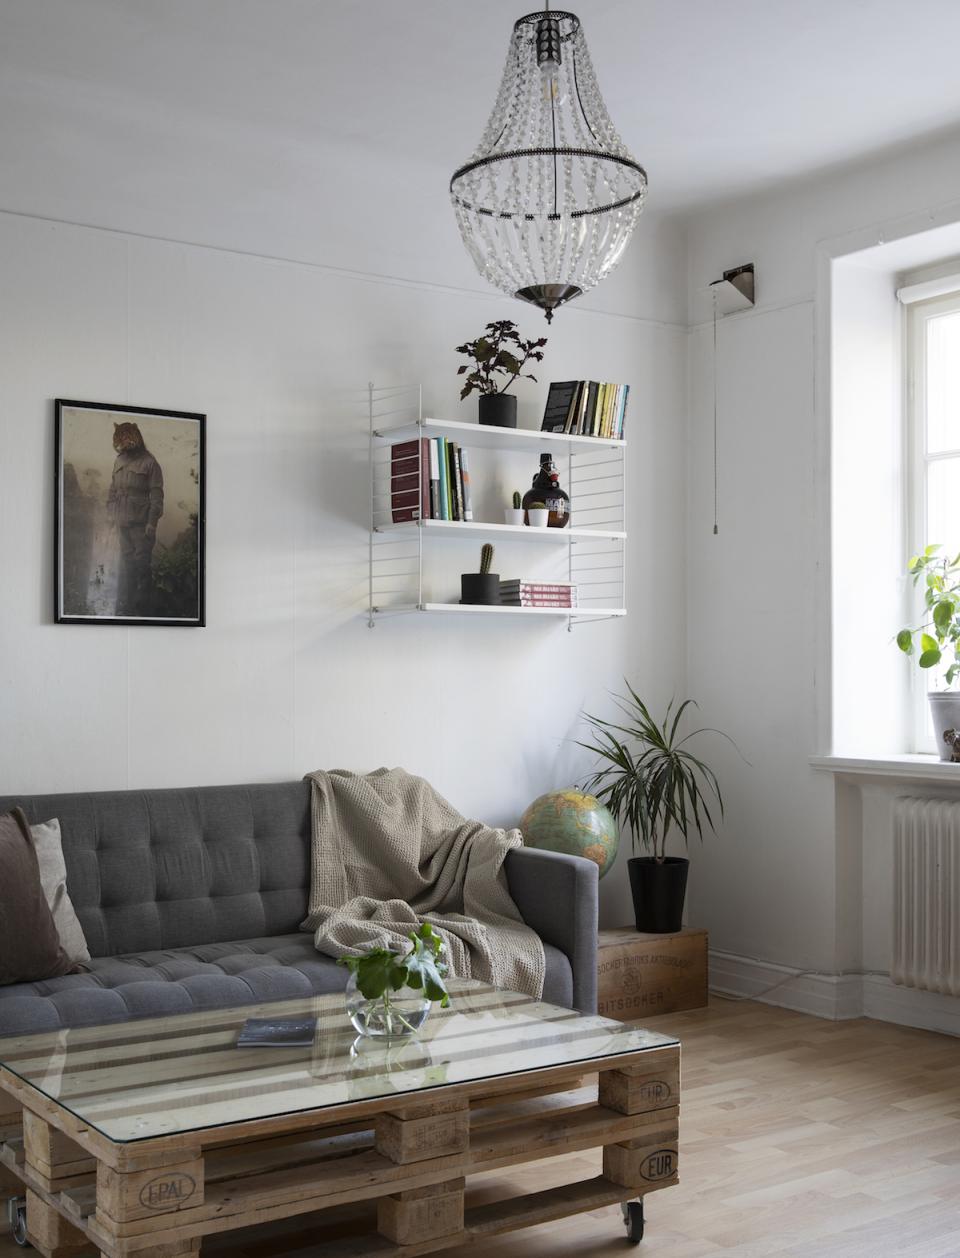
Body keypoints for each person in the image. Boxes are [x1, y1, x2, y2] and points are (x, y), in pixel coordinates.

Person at [106, 421, 163, 617]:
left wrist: (152, 524)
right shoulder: (119, 460)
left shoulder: (150, 463)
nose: (121, 442)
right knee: (127, 565)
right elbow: (113, 490)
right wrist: (111, 514)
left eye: (125, 437)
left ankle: (143, 610)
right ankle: (129, 607)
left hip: (141, 525)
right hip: (121, 522)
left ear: (135, 437)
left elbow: (157, 497)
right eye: (119, 438)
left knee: (142, 565)